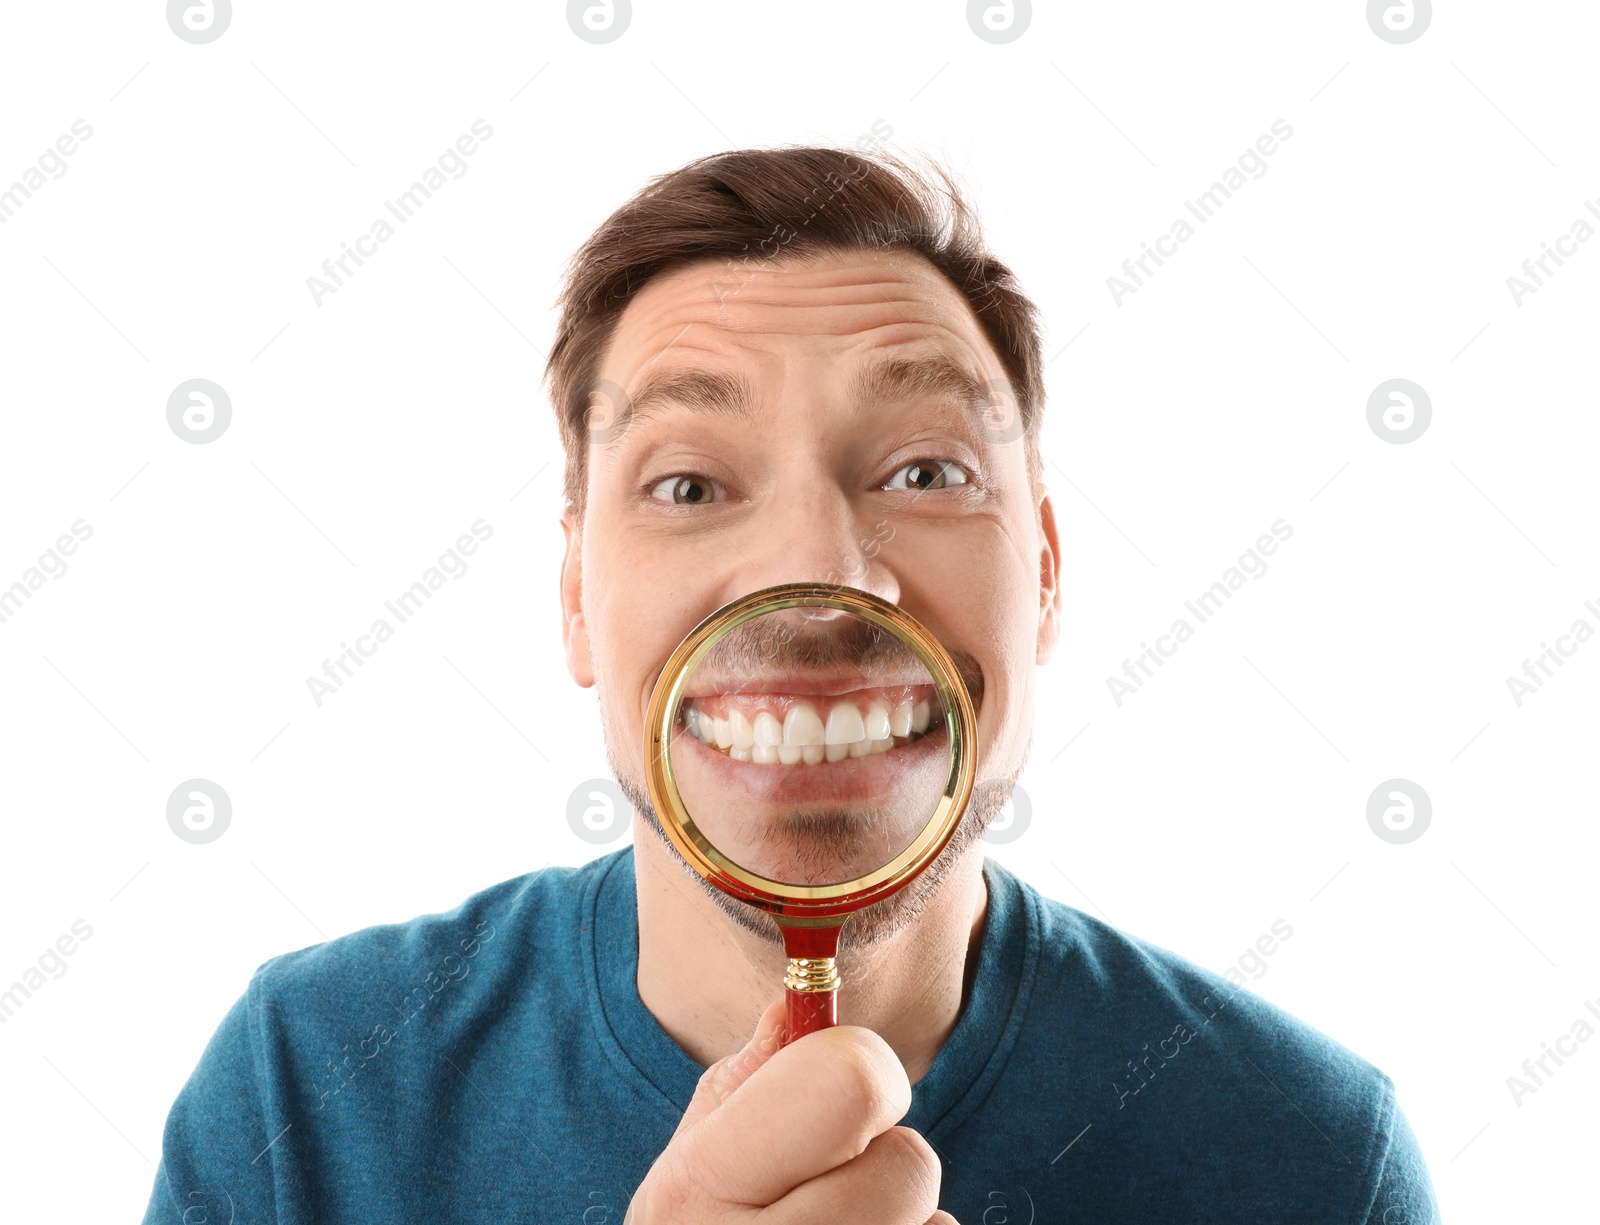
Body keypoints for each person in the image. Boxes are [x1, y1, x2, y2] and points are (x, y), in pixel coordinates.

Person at [143, 145, 1440, 1224]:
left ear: (1043, 572)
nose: (820, 572)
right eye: (690, 483)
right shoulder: (303, 1099)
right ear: (578, 599)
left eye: (926, 472)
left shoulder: (1320, 1163)